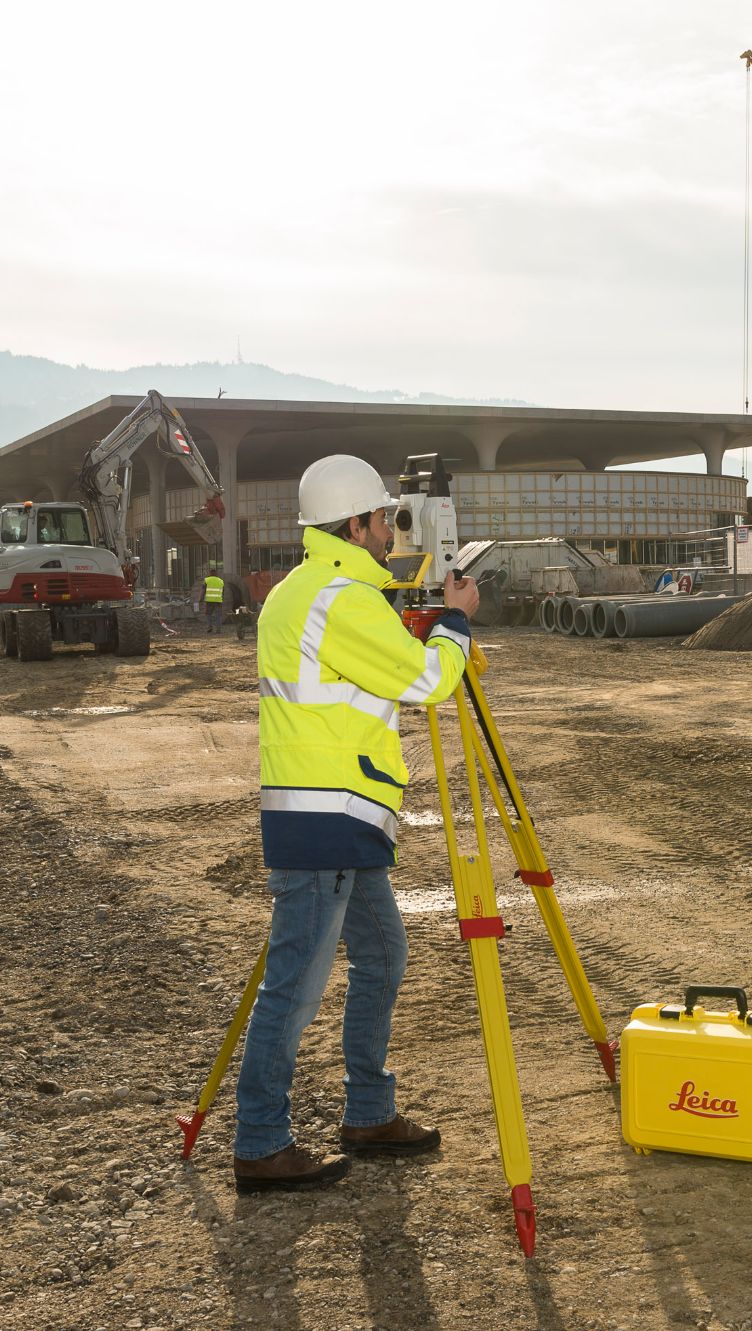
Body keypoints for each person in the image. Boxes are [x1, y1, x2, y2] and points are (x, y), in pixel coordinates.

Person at [231, 454, 480, 1192]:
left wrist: (419, 619)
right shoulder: (344, 599)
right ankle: (260, 1142)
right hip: (327, 818)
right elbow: (429, 678)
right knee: (294, 989)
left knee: (382, 957)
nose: (390, 531)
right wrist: (457, 620)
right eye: (383, 519)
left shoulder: (299, 591)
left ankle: (368, 1111)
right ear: (358, 524)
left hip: (340, 814)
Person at [201, 564, 228, 634]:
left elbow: (203, 590)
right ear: (216, 574)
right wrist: (222, 599)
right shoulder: (221, 581)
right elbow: (223, 592)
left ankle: (209, 627)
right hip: (218, 601)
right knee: (218, 615)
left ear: (210, 573)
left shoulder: (207, 580)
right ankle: (218, 629)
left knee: (208, 614)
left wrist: (201, 599)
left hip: (209, 601)